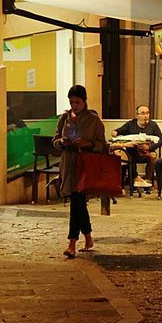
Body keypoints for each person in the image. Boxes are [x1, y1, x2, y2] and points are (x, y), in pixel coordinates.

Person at [53, 84, 107, 257]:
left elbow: (102, 144)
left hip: (85, 164)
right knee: (78, 201)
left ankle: (72, 243)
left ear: (84, 101)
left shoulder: (93, 120)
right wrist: (61, 142)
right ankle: (88, 237)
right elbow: (54, 139)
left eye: (77, 102)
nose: (74, 106)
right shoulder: (64, 118)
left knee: (76, 202)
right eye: (71, 102)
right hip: (69, 162)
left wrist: (88, 143)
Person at [112, 104, 162, 196]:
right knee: (129, 154)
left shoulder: (153, 125)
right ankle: (134, 179)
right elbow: (116, 132)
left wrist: (150, 147)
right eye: (143, 113)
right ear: (137, 115)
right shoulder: (130, 124)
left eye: (148, 113)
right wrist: (115, 133)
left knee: (153, 156)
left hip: (147, 152)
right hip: (133, 153)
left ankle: (147, 182)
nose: (146, 116)